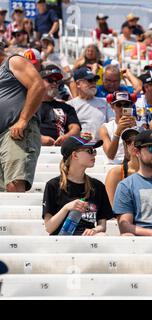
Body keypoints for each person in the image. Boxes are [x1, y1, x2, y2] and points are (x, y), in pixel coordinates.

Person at [42, 136, 113, 236]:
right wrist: (66, 208)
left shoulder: (98, 186)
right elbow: (49, 227)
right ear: (75, 155)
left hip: (88, 240)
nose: (93, 154)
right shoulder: (53, 185)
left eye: (94, 151)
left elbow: (102, 225)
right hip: (61, 241)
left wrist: (95, 230)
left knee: (102, 236)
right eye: (89, 151)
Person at [0, 41, 45, 192]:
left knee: (14, 185)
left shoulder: (13, 61)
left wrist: (23, 119)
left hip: (14, 131)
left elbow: (38, 85)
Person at [38, 65, 81, 146]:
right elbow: (22, 128)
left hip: (62, 150)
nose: (54, 84)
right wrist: (39, 139)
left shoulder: (66, 107)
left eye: (57, 81)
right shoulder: (30, 106)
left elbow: (75, 128)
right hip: (37, 149)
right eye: (50, 80)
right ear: (39, 81)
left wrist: (66, 137)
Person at [67, 67, 114, 139]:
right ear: (78, 84)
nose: (93, 83)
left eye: (95, 80)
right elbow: (67, 130)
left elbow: (112, 124)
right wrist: (77, 136)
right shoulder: (70, 105)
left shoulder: (105, 102)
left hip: (102, 146)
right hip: (80, 146)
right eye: (90, 80)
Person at [99, 91, 137, 164]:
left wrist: (133, 130)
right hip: (113, 166)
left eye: (126, 104)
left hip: (133, 165)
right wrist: (118, 132)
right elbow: (110, 155)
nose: (122, 108)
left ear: (131, 106)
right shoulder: (105, 127)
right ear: (112, 106)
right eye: (119, 105)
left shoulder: (139, 126)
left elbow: (134, 155)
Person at [105, 127, 140, 206]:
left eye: (137, 140)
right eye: (128, 141)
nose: (132, 144)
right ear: (126, 146)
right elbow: (113, 207)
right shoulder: (115, 173)